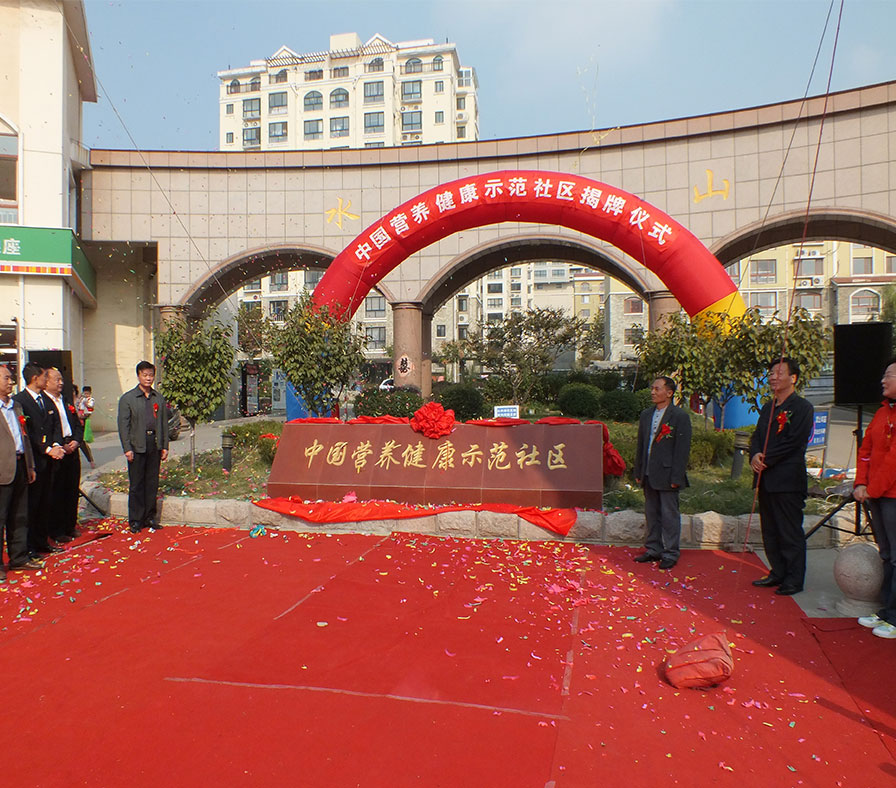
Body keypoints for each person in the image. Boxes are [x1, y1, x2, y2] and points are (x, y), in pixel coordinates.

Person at [750, 357, 814, 596]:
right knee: (770, 530)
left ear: (793, 378)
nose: (773, 377)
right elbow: (757, 435)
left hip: (787, 480)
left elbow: (794, 442)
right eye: (770, 373)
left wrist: (766, 458)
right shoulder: (768, 407)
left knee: (789, 531)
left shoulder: (802, 408)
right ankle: (777, 571)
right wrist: (755, 454)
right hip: (766, 479)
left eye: (778, 373)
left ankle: (794, 579)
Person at [853, 358, 896, 639]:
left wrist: (872, 489)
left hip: (891, 495)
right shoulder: (882, 413)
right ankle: (886, 610)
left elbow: (894, 461)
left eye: (889, 375)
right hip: (876, 494)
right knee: (887, 554)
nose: (883, 380)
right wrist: (860, 482)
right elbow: (865, 450)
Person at [633, 376, 692, 570]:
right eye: (652, 388)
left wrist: (677, 476)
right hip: (649, 471)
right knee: (652, 513)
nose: (652, 392)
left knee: (669, 515)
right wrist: (639, 469)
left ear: (669, 392)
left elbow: (682, 450)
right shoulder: (646, 415)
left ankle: (671, 552)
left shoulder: (679, 416)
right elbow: (642, 445)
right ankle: (653, 549)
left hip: (668, 473)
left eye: (657, 389)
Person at [13, 363, 64, 556]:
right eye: (44, 377)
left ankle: (42, 541)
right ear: (35, 378)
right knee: (31, 506)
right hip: (33, 462)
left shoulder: (46, 400)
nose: (46, 380)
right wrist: (47, 449)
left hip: (50, 461)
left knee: (45, 503)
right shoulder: (20, 401)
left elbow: (55, 424)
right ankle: (29, 546)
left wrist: (57, 445)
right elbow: (28, 432)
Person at [117, 361, 169, 533]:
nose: (148, 378)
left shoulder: (158, 398)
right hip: (136, 444)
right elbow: (123, 426)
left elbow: (163, 423)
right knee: (137, 484)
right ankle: (136, 520)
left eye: (151, 375)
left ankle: (149, 517)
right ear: (138, 375)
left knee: (152, 482)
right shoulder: (128, 399)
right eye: (145, 375)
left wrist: (164, 446)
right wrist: (127, 448)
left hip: (154, 443)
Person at [0, 364, 40, 577]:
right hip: (2, 470)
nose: (11, 382)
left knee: (19, 516)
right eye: (6, 378)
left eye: (11, 378)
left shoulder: (15, 406)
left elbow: (24, 437)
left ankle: (19, 558)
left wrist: (30, 465)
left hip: (20, 465)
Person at [44, 368, 83, 542]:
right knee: (57, 491)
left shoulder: (65, 400)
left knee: (72, 489)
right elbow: (47, 429)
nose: (60, 383)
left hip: (72, 447)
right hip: (57, 451)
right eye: (56, 379)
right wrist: (60, 444)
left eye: (61, 379)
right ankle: (57, 530)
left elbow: (77, 424)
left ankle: (70, 525)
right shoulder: (44, 402)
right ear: (46, 381)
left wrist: (76, 441)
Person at [76, 385, 95, 467]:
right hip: (79, 417)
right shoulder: (80, 399)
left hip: (84, 418)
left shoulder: (90, 400)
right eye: (85, 393)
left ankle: (90, 459)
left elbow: (90, 407)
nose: (86, 395)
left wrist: (86, 403)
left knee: (81, 441)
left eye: (87, 393)